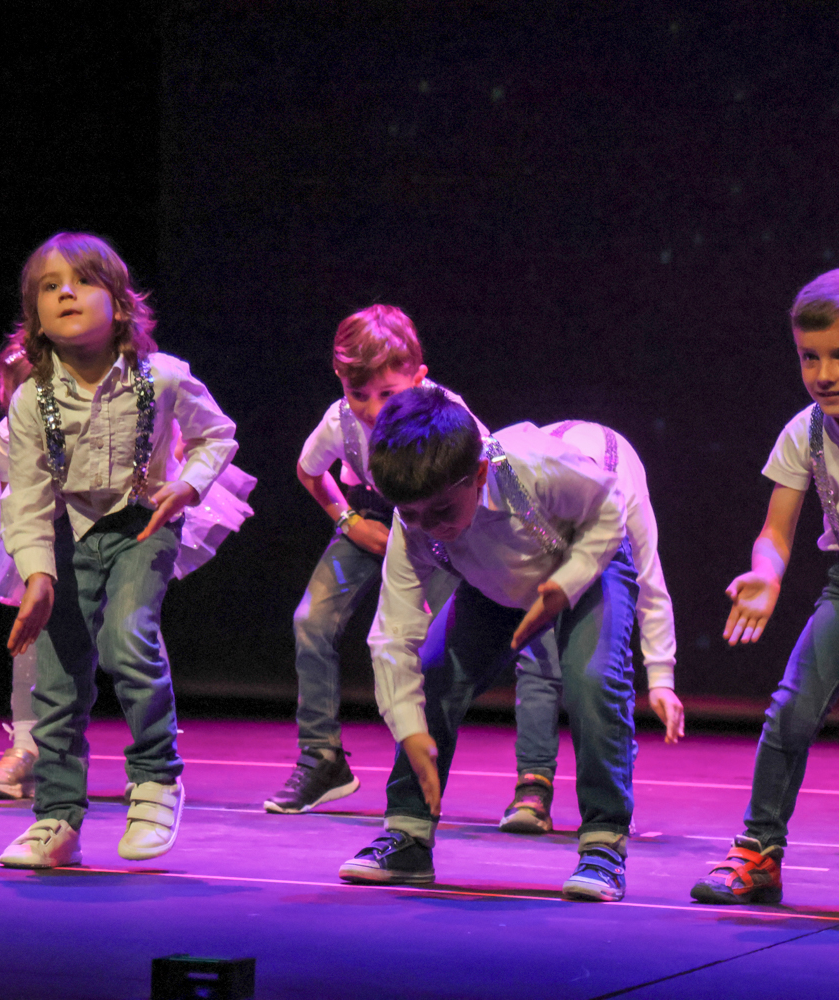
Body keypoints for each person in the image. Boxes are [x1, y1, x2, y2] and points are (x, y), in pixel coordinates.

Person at [337, 385, 639, 902]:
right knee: (432, 676)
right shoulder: (415, 525)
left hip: (586, 566)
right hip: (494, 588)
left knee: (591, 682)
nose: (429, 527)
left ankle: (603, 843)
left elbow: (610, 506)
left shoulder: (533, 464)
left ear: (478, 475)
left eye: (440, 510)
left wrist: (565, 585)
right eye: (412, 514)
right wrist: (411, 730)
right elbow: (392, 634)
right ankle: (409, 836)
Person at [0, 232, 238, 868]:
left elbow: (217, 435)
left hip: (142, 526)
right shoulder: (30, 399)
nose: (66, 293)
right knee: (57, 680)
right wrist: (37, 577)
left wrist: (187, 485)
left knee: (127, 639)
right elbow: (26, 497)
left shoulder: (164, 376)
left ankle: (156, 777)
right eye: (50, 287)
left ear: (121, 305)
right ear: (35, 317)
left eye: (83, 281)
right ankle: (57, 817)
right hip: (66, 533)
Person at [0, 338, 255, 800]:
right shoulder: (14, 429)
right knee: (43, 634)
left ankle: (155, 753)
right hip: (55, 523)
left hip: (135, 514)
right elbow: (22, 497)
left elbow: (203, 435)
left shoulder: (147, 383)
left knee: (132, 626)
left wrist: (182, 475)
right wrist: (41, 566)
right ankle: (29, 749)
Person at [266, 305, 463, 814]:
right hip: (372, 522)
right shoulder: (339, 422)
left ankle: (421, 766)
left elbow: (487, 463)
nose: (373, 409)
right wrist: (348, 521)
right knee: (311, 620)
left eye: (388, 395)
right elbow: (309, 472)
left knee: (434, 644)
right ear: (340, 380)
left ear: (417, 378)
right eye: (359, 394)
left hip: (433, 530)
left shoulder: (446, 412)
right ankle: (321, 758)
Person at [692, 268, 839, 905]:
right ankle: (758, 852)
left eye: (838, 356)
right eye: (810, 357)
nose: (824, 374)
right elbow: (776, 532)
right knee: (791, 710)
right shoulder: (805, 431)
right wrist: (767, 573)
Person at [499, 420, 684, 833]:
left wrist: (661, 679)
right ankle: (533, 786)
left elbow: (649, 578)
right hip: (540, 541)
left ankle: (608, 800)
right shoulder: (527, 481)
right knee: (538, 657)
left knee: (601, 671)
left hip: (605, 548)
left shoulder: (621, 489)